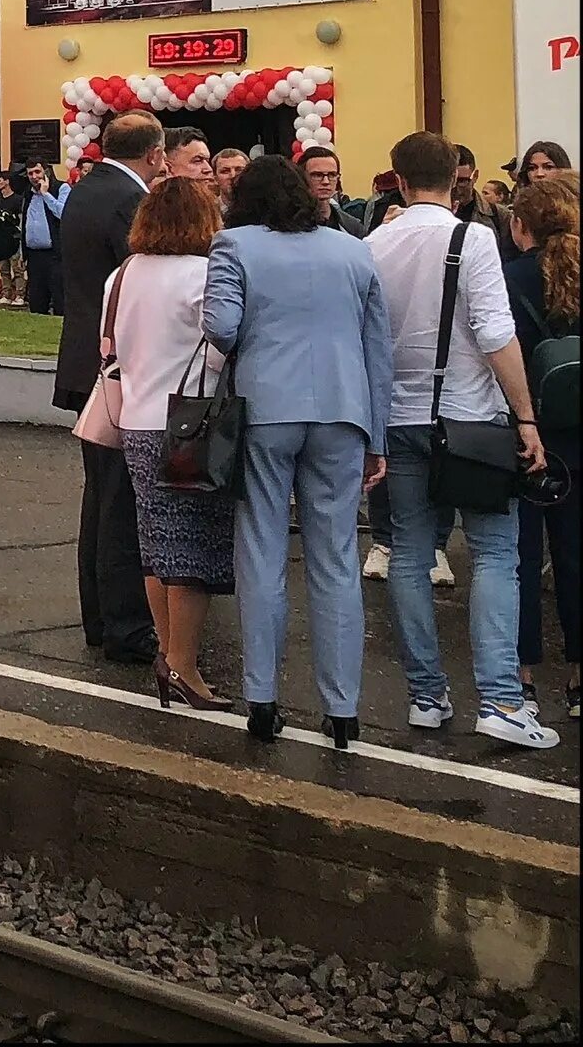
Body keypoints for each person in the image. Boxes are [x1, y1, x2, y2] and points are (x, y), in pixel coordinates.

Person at [370, 132, 557, 749]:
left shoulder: (374, 244)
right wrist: (526, 417)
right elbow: (495, 332)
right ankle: (502, 700)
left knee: (410, 555)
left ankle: (427, 695)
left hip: (400, 420)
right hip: (472, 420)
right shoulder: (473, 238)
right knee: (497, 555)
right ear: (456, 177)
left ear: (396, 179)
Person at [205, 152, 394, 748]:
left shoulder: (233, 246)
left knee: (260, 549)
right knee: (336, 557)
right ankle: (342, 709)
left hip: (265, 410)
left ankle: (262, 698)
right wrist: (378, 435)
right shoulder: (352, 249)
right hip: (343, 410)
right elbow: (377, 350)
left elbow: (222, 329)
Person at [109, 176, 237, 710]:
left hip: (135, 416)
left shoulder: (124, 273)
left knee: (154, 545)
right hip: (188, 420)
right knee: (193, 551)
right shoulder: (202, 274)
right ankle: (184, 665)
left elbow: (109, 341)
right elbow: (222, 341)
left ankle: (168, 655)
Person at [58, 111, 166, 665]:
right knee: (120, 503)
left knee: (99, 499)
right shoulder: (129, 199)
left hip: (86, 362)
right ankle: (125, 626)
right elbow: (140, 280)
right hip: (119, 370)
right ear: (153, 154)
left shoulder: (84, 188)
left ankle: (101, 617)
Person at [507, 172, 581, 722]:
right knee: (577, 555)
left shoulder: (510, 278)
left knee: (520, 558)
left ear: (520, 226)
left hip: (525, 429)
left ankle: (524, 677)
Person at [22, 161, 68, 316]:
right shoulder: (28, 193)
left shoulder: (62, 188)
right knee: (36, 299)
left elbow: (63, 214)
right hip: (34, 255)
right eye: (30, 173)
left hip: (55, 254)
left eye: (37, 172)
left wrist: (46, 194)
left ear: (46, 172)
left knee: (59, 297)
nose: (34, 177)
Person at [454, 144, 514, 256]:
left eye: (462, 181)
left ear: (475, 176)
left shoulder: (500, 216)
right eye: (451, 180)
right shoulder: (431, 213)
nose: (455, 187)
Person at [301, 147, 368, 238]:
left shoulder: (353, 227)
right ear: (302, 177)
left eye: (332, 175)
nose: (326, 181)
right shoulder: (286, 225)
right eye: (317, 175)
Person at [0, 170, 27, 307]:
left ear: (7, 182)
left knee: (17, 267)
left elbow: (20, 218)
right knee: (3, 268)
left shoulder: (18, 199)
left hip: (13, 237)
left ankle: (20, 294)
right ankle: (6, 293)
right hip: (0, 238)